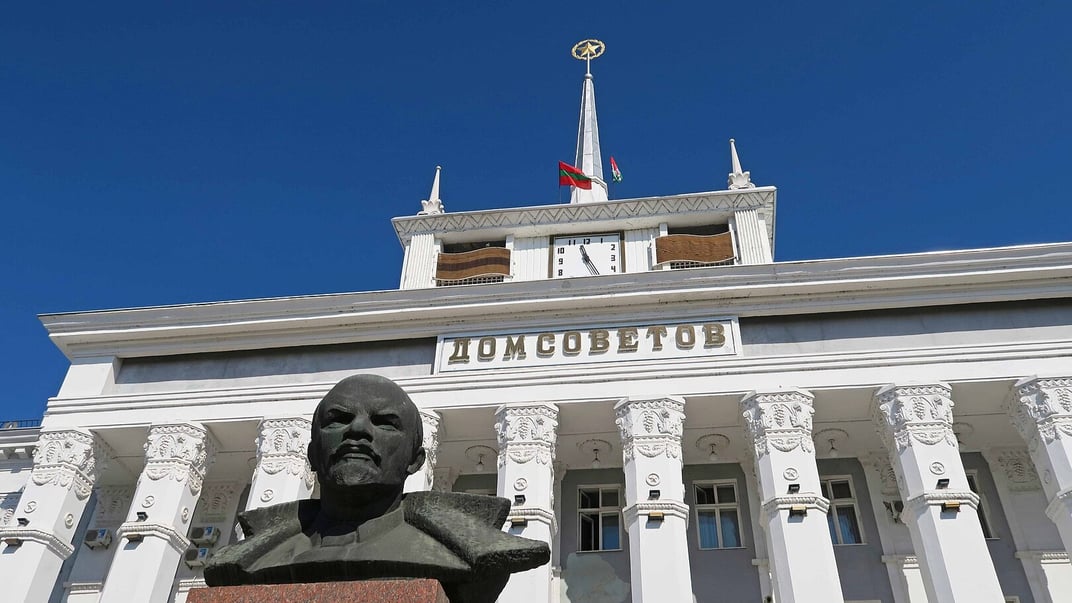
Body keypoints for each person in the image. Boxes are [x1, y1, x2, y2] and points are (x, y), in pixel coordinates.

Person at [205, 374, 549, 603]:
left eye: (384, 423)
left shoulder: (473, 556)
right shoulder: (248, 556)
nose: (357, 430)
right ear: (312, 453)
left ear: (415, 462)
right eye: (338, 419)